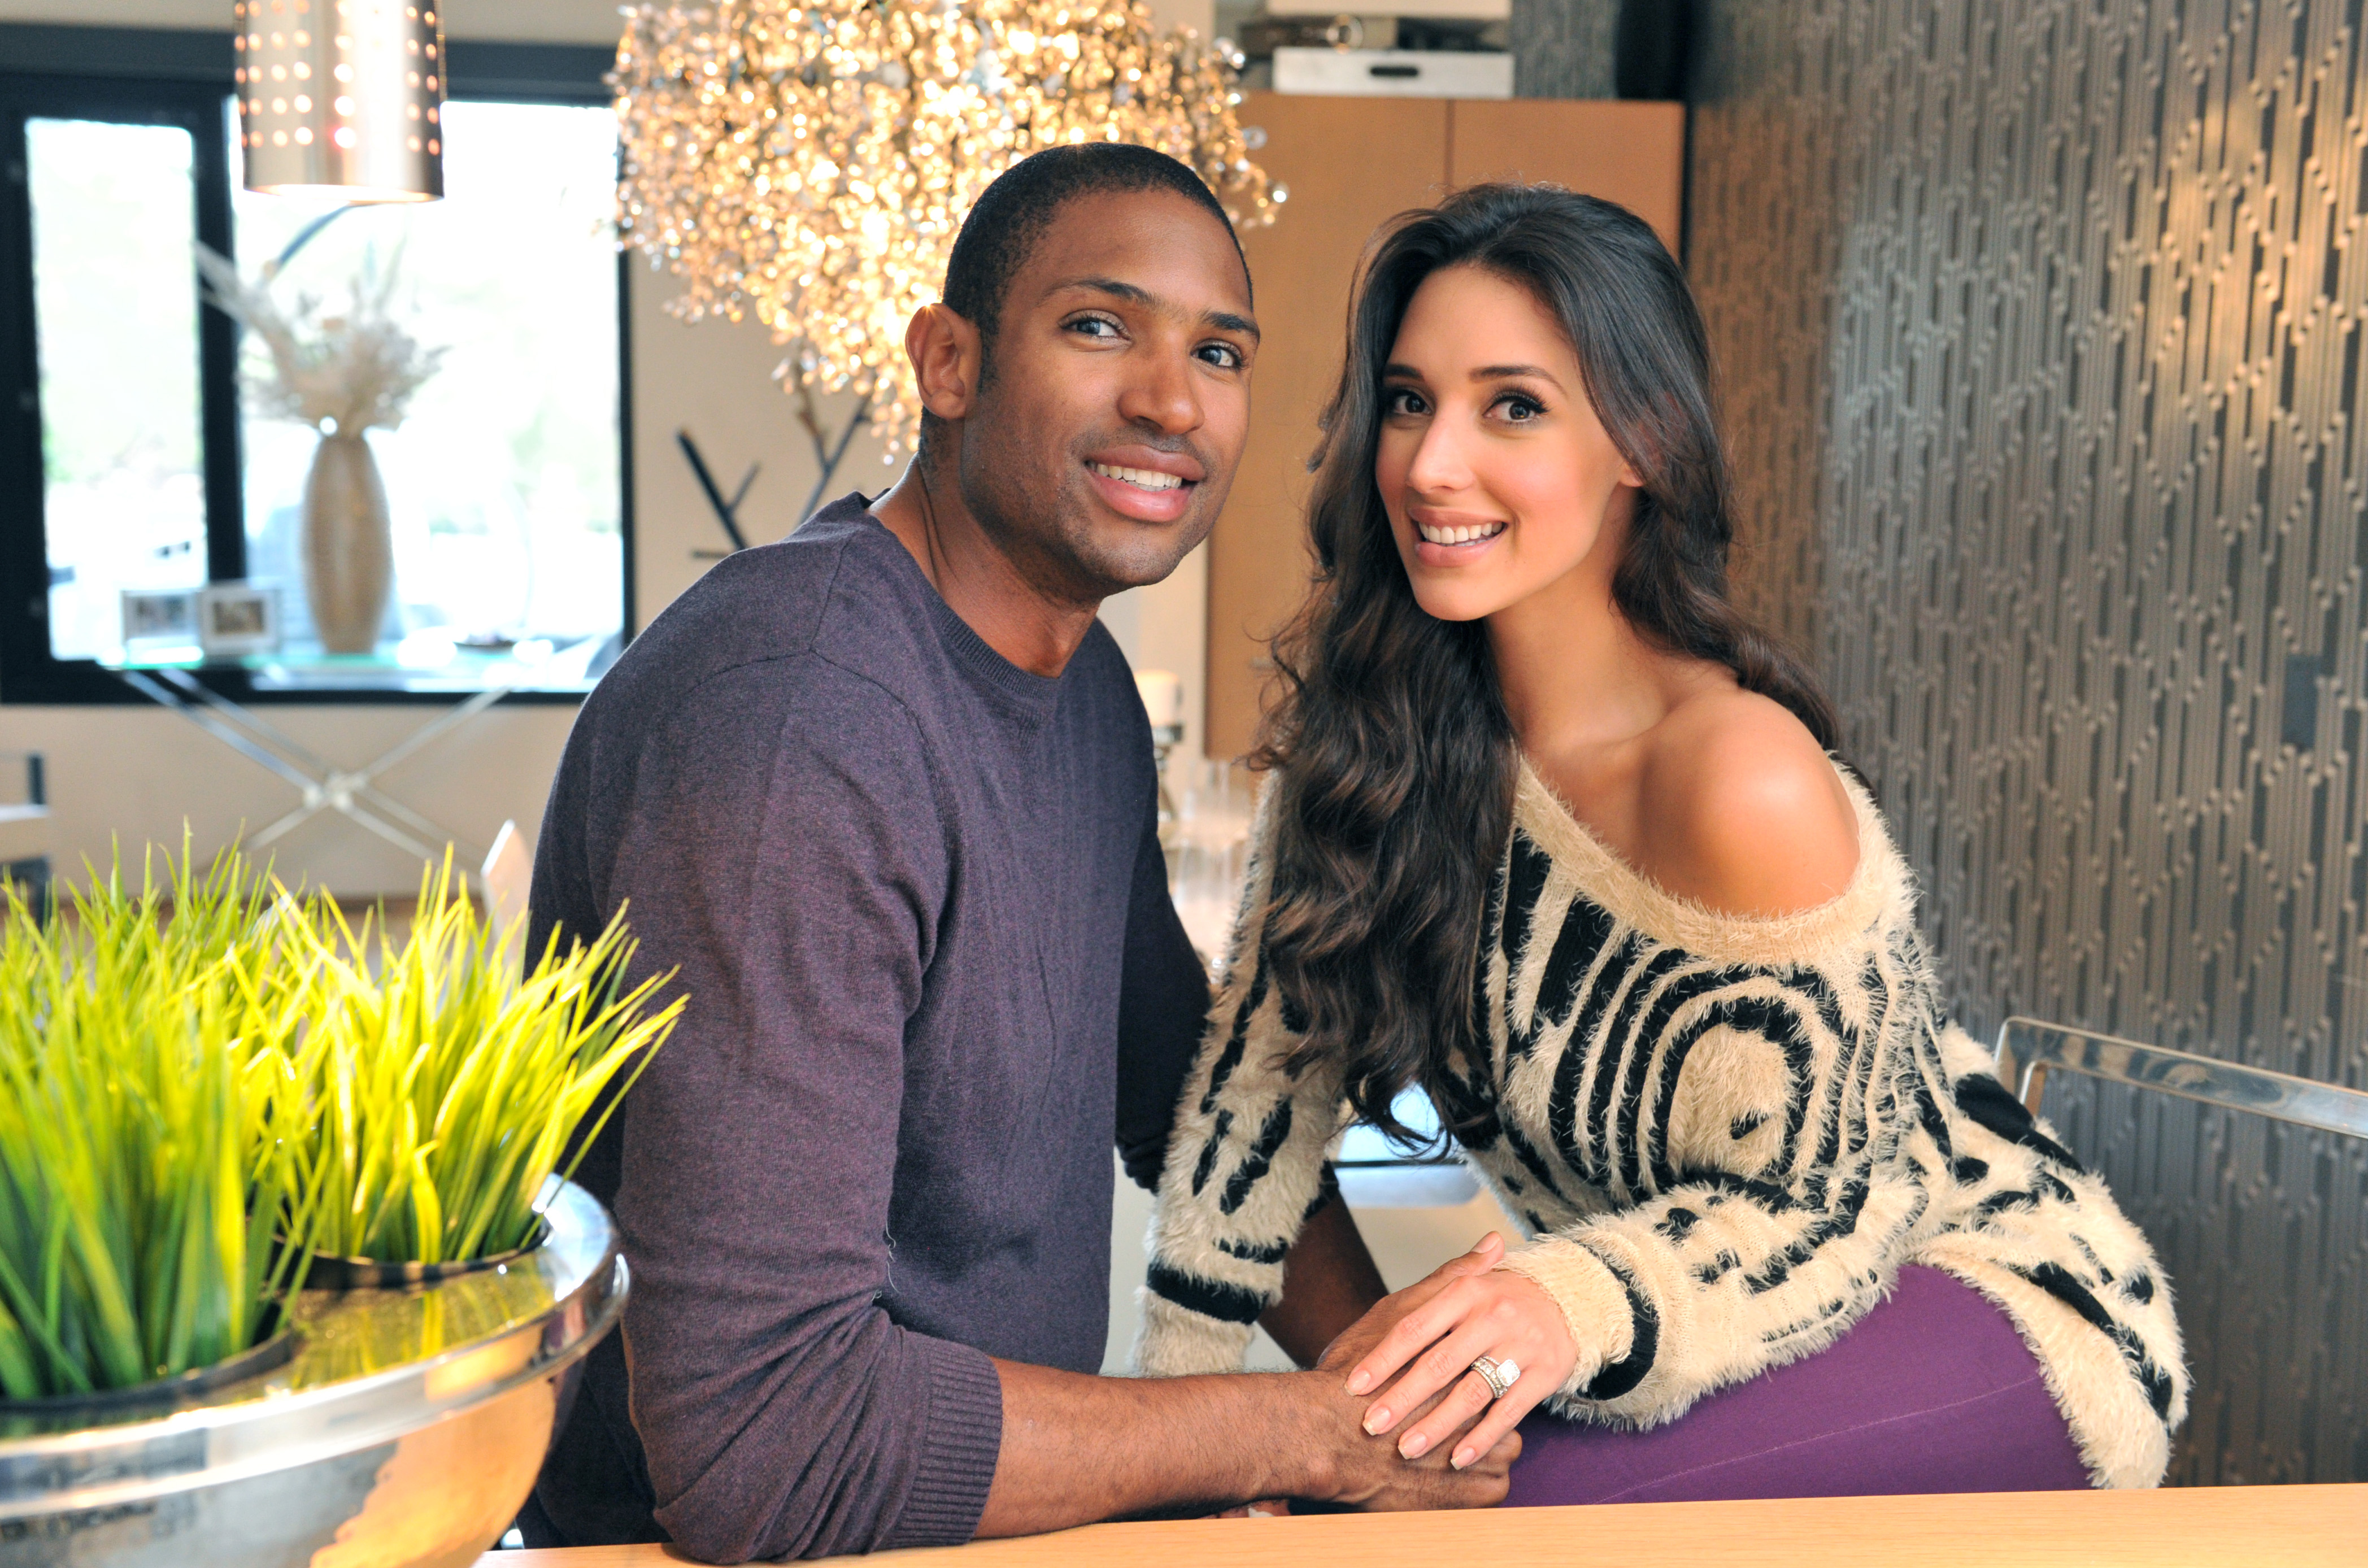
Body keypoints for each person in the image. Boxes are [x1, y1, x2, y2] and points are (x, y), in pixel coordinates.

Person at [520, 145, 1517, 1563]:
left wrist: (1395, 1393)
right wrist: (1301, 1429)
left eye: (1218, 352)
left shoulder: (1083, 691)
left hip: (966, 1516)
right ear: (948, 362)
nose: (1170, 401)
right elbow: (764, 1444)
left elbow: (1181, 1094)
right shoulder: (800, 719)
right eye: (1099, 325)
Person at [1139, 183, 2190, 1501]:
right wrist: (1172, 1468)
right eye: (1407, 400)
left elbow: (1833, 1211)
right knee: (1326, 1487)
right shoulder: (1371, 752)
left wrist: (1563, 1298)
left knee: (1446, 1514)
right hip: (1686, 1329)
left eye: (1510, 405)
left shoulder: (1738, 773)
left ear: (1638, 439)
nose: (1428, 463)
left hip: (1978, 1296)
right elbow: (1253, 1115)